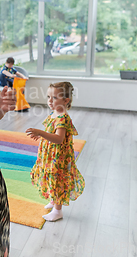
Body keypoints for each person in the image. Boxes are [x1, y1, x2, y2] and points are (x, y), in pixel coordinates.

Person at [26, 81, 85, 222]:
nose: (50, 101)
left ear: (66, 100)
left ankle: (58, 211)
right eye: (48, 97)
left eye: (54, 98)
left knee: (57, 179)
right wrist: (41, 135)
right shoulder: (54, 114)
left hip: (59, 157)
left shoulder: (63, 118)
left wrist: (40, 132)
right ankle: (54, 201)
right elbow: (50, 132)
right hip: (51, 154)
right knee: (52, 178)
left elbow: (58, 138)